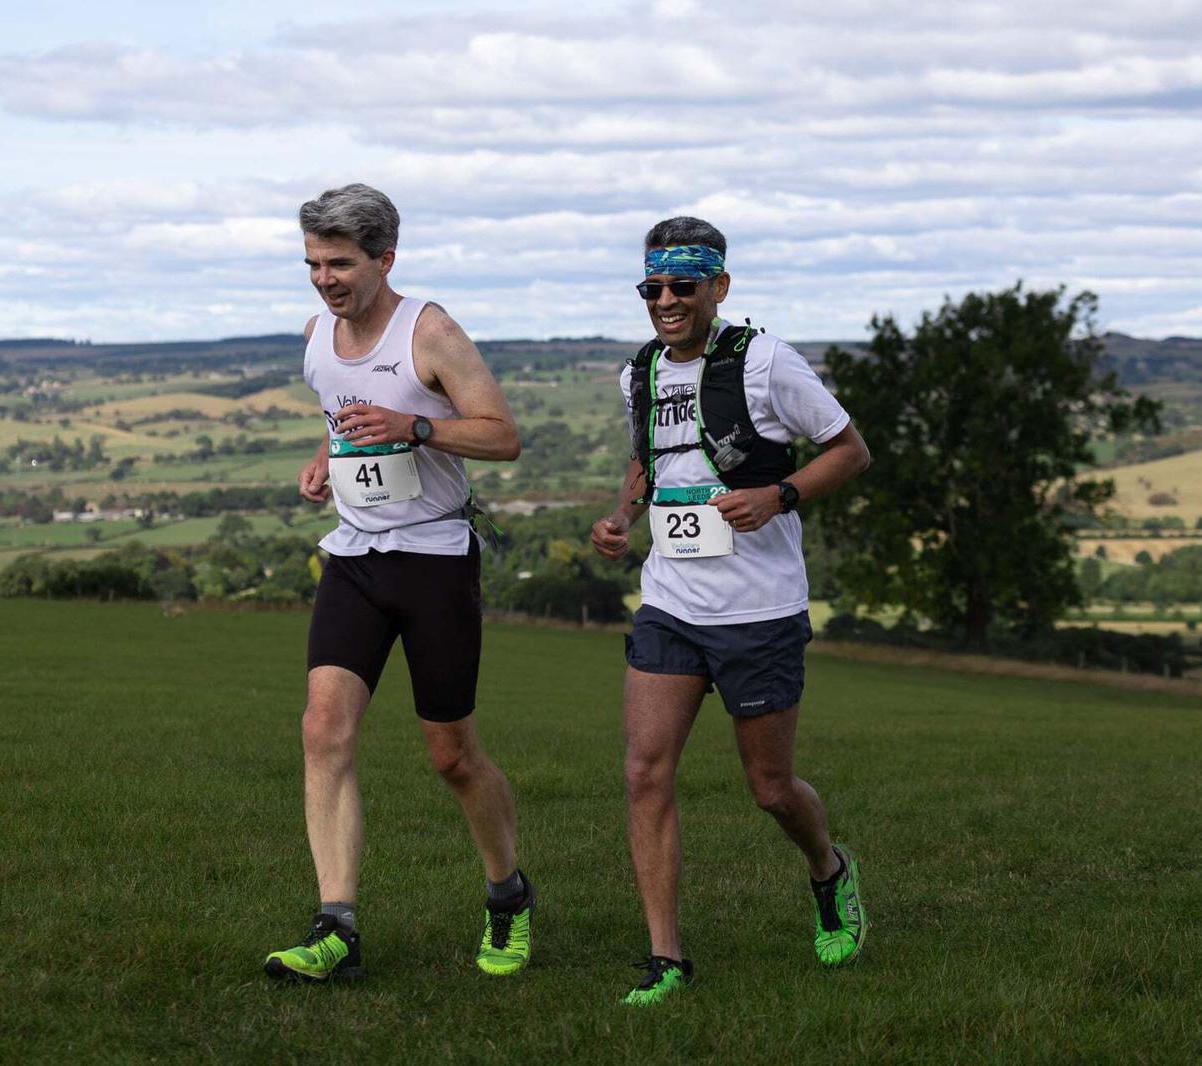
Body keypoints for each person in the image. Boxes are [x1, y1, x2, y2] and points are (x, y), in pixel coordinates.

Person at [590, 216, 872, 1006]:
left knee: (771, 789)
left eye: (684, 285)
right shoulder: (639, 372)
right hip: (672, 604)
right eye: (654, 287)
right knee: (645, 772)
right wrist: (624, 520)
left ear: (719, 285)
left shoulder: (767, 363)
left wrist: (778, 494)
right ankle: (666, 959)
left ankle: (828, 868)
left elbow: (851, 450)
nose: (667, 300)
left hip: (759, 611)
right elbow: (648, 461)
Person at [263, 183, 534, 983]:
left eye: (340, 263)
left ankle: (508, 894)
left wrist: (414, 425)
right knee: (323, 729)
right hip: (353, 557)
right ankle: (335, 929)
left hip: (434, 561)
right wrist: (325, 461)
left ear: (386, 259)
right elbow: (341, 416)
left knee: (451, 755)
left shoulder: (433, 331)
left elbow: (502, 436)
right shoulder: (318, 336)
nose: (324, 279)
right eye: (312, 262)